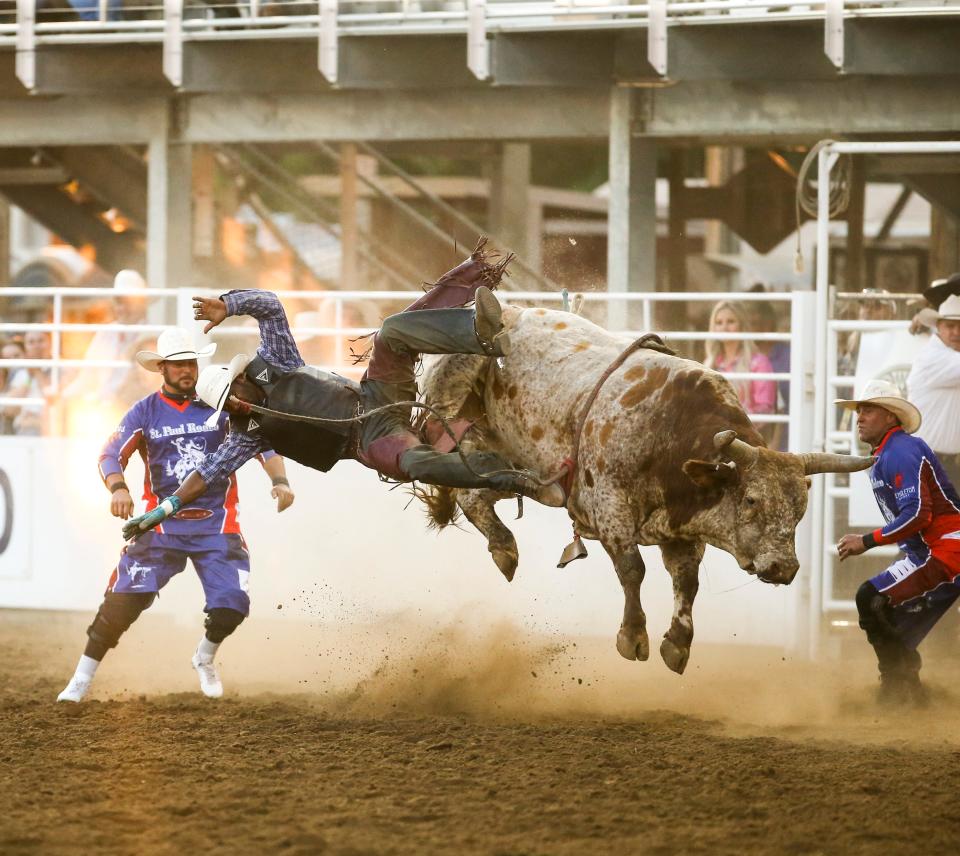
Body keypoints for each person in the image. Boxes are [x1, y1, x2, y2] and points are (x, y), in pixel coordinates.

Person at [118, 249, 565, 542]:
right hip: (368, 441)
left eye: (232, 394)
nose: (233, 404)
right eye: (226, 406)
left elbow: (271, 305)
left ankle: (481, 332)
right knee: (414, 462)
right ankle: (510, 476)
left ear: (240, 381)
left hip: (374, 394)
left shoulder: (278, 361)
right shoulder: (247, 434)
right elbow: (208, 474)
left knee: (391, 331)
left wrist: (229, 303)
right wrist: (164, 510)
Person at [56, 328, 295, 703]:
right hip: (160, 525)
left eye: (191, 363)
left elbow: (259, 441)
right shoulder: (144, 411)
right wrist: (119, 488)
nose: (187, 370)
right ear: (162, 369)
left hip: (217, 524)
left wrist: (279, 480)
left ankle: (204, 657)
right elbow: (109, 454)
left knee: (231, 606)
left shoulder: (219, 403)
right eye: (179, 364)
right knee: (120, 606)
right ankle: (81, 679)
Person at [835, 380, 960, 705]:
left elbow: (918, 513)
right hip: (930, 551)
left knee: (872, 600)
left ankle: (898, 690)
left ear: (891, 417)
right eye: (859, 410)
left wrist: (867, 540)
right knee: (882, 610)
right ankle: (908, 690)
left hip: (946, 550)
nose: (860, 417)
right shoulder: (888, 452)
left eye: (868, 410)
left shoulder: (900, 451)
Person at [906, 286, 960, 487]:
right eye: (950, 326)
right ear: (938, 327)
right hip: (930, 464)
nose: (956, 332)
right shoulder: (933, 358)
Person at [703, 301, 776, 418]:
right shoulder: (710, 364)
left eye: (731, 322)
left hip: (746, 433)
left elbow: (765, 409)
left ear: (742, 326)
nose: (724, 328)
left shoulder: (759, 363)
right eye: (719, 323)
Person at [5, 330, 51, 435]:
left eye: (40, 341)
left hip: (49, 430)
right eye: (31, 342)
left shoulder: (60, 368)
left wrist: (37, 371)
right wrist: (29, 378)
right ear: (25, 347)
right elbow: (9, 410)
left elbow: (54, 401)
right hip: (24, 431)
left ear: (50, 343)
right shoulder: (20, 372)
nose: (36, 346)